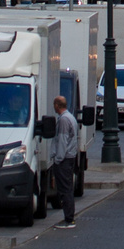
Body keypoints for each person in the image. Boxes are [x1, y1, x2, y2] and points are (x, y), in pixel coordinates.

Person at [49, 95, 81, 227]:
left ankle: (69, 219)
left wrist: (58, 159)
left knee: (64, 190)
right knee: (67, 188)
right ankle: (69, 217)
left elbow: (62, 140)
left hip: (64, 159)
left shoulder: (63, 120)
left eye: (54, 105)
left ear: (57, 105)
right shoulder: (71, 118)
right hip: (70, 156)